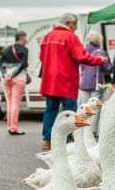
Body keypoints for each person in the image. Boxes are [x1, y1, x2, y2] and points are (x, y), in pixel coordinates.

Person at [39, 13, 107, 151]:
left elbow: (42, 57)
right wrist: (99, 60)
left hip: (50, 81)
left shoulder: (47, 37)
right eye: (75, 25)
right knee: (69, 111)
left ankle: (47, 140)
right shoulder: (70, 37)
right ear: (70, 23)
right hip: (66, 81)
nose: (75, 29)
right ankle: (68, 140)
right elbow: (81, 56)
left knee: (50, 110)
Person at [79, 31, 111, 136]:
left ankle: (83, 131)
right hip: (95, 83)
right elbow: (106, 68)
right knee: (94, 109)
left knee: (84, 107)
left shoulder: (83, 51)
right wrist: (113, 67)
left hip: (84, 83)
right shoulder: (100, 52)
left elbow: (82, 67)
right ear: (99, 40)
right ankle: (92, 131)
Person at [0, 30, 29, 135]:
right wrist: (14, 74)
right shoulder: (24, 49)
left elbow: (1, 64)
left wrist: (5, 75)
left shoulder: (6, 49)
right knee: (15, 104)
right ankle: (14, 127)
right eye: (25, 37)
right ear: (21, 38)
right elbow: (23, 64)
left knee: (9, 103)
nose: (27, 40)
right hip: (18, 78)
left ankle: (9, 126)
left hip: (6, 78)